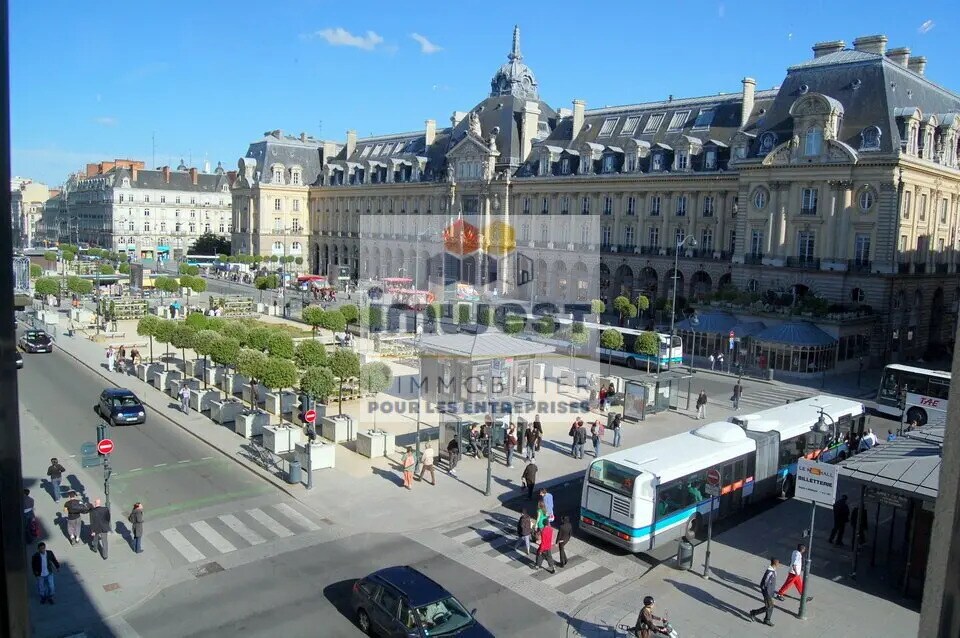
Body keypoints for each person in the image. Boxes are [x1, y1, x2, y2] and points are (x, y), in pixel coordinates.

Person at [749, 558, 780, 626]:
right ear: (775, 564)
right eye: (778, 563)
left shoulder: (773, 570)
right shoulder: (770, 572)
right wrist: (770, 596)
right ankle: (754, 613)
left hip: (770, 592)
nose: (779, 565)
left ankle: (766, 619)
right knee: (769, 606)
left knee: (770, 606)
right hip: (767, 592)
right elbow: (765, 584)